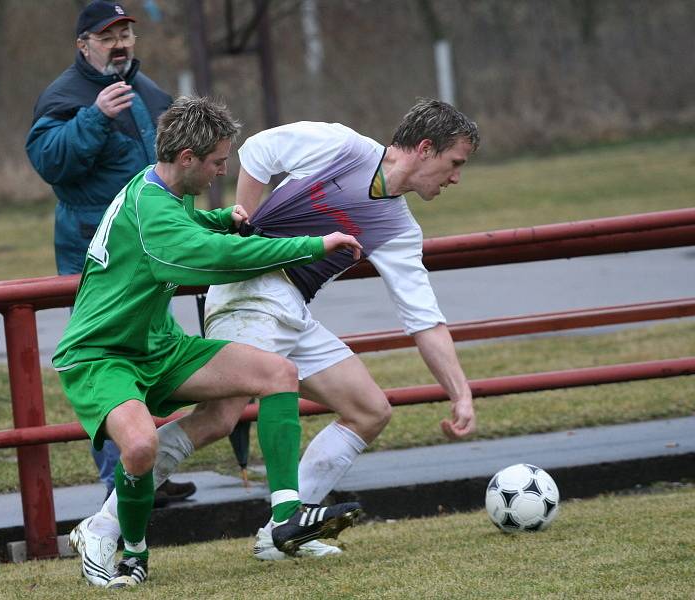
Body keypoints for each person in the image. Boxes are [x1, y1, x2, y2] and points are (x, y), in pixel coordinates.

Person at [82, 98, 480, 567]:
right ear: (426, 148)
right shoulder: (343, 147)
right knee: (219, 417)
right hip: (248, 294)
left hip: (292, 308)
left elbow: (423, 319)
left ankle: (280, 534)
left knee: (369, 410)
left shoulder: (399, 228)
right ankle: (103, 526)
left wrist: (461, 393)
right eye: (455, 163)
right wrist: (244, 227)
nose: (456, 177)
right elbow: (258, 152)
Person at [57, 95, 364, 588]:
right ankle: (123, 547)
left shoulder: (162, 190)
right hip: (101, 355)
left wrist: (218, 218)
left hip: (159, 347)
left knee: (276, 373)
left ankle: (286, 514)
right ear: (187, 159)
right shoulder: (154, 209)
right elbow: (221, 258)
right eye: (219, 162)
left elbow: (188, 229)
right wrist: (313, 245)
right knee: (139, 448)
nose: (223, 172)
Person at [25, 0, 194, 505]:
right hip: (93, 257)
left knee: (149, 357)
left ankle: (145, 474)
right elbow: (50, 163)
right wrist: (94, 119)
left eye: (126, 34)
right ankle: (115, 485)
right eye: (107, 36)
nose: (119, 43)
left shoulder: (150, 92)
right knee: (105, 369)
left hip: (148, 256)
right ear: (84, 45)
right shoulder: (64, 96)